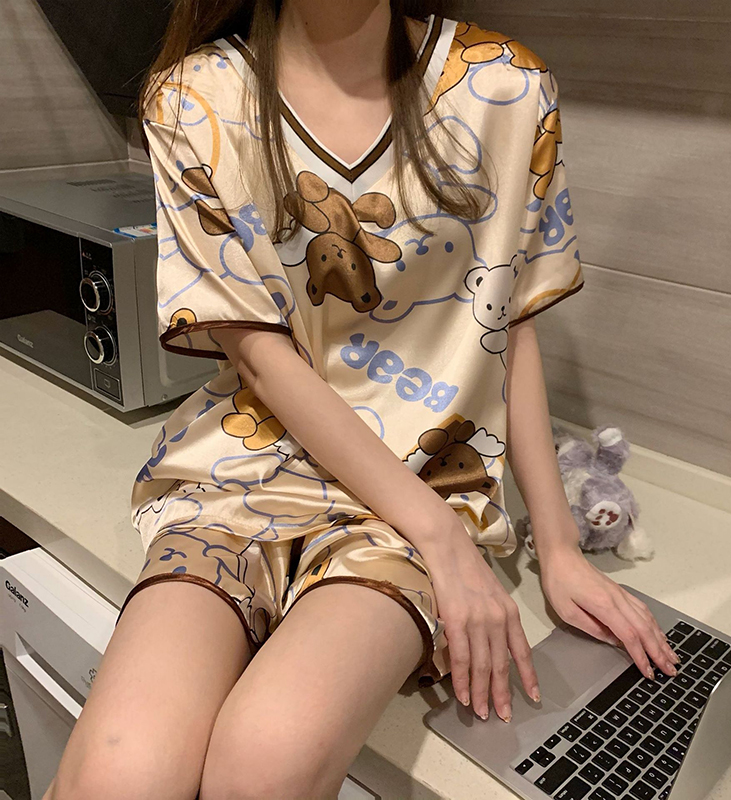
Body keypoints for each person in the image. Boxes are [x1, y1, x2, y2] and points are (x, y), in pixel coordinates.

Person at [46, 1, 680, 798]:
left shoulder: (507, 87)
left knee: (265, 760)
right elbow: (261, 360)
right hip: (239, 474)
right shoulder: (192, 97)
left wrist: (556, 549)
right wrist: (445, 544)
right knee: (119, 771)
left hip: (422, 488)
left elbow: (509, 324)